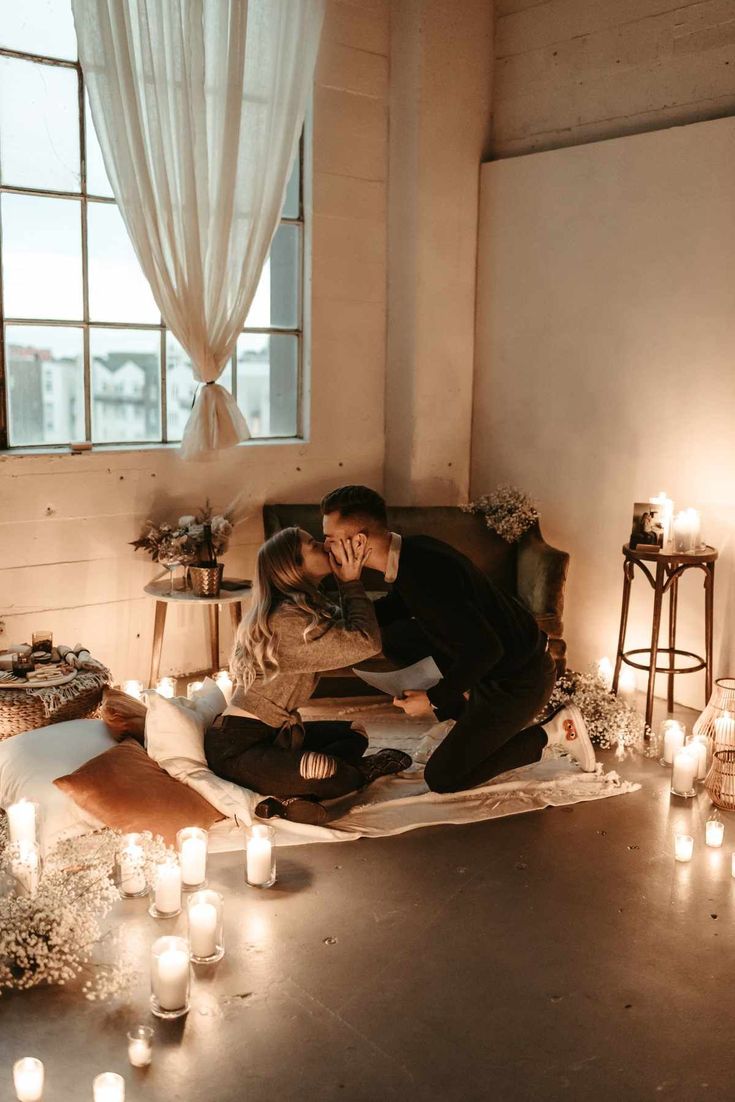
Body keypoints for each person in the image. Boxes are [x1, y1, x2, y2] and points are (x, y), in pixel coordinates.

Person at [321, 486, 595, 793]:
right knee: (396, 637)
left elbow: (487, 650)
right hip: (491, 664)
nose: (325, 546)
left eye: (331, 539)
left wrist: (432, 699)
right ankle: (459, 721)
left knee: (444, 777)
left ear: (358, 541)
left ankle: (551, 734)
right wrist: (336, 613)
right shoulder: (413, 552)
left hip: (519, 680)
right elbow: (395, 609)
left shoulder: (424, 575)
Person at [204, 526, 411, 825]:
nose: (324, 544)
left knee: (355, 732)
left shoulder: (300, 610)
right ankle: (353, 775)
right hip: (238, 747)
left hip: (278, 736)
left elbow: (354, 627)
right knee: (326, 770)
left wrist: (346, 581)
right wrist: (350, 580)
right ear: (294, 568)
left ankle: (290, 795)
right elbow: (367, 642)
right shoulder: (285, 622)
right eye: (312, 544)